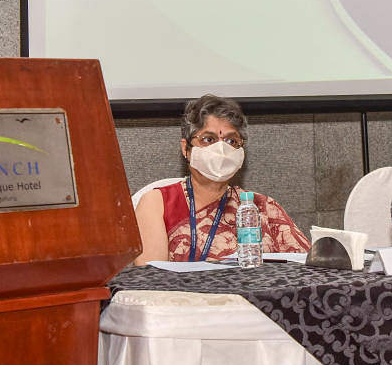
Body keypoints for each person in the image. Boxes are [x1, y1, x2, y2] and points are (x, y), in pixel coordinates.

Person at [133, 94, 311, 264]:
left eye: (231, 141)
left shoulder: (262, 207)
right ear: (186, 148)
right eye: (208, 139)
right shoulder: (158, 203)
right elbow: (151, 276)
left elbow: (311, 267)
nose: (221, 149)